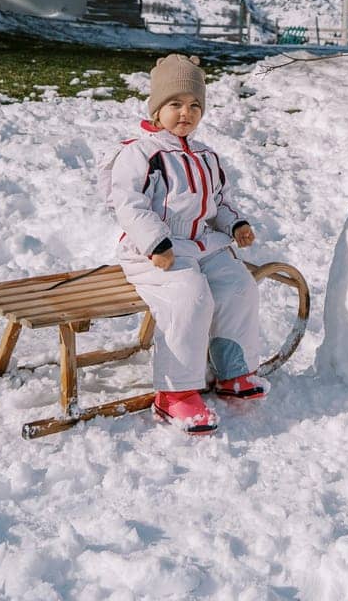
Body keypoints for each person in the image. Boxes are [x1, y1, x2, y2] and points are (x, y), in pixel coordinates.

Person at [101, 53, 264, 434]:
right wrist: (154, 242)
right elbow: (129, 203)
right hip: (152, 252)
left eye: (193, 105)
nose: (185, 113)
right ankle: (175, 394)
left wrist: (234, 223)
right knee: (190, 296)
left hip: (199, 244)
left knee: (239, 286)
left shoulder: (206, 156)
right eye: (174, 104)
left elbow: (218, 202)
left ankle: (233, 370)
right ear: (157, 108)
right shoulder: (141, 153)